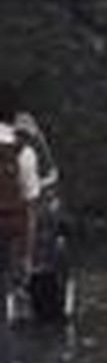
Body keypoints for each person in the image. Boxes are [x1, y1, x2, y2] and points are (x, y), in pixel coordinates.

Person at [0, 86, 40, 304]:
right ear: (13, 116)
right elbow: (30, 207)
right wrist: (27, 257)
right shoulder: (23, 151)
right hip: (8, 228)